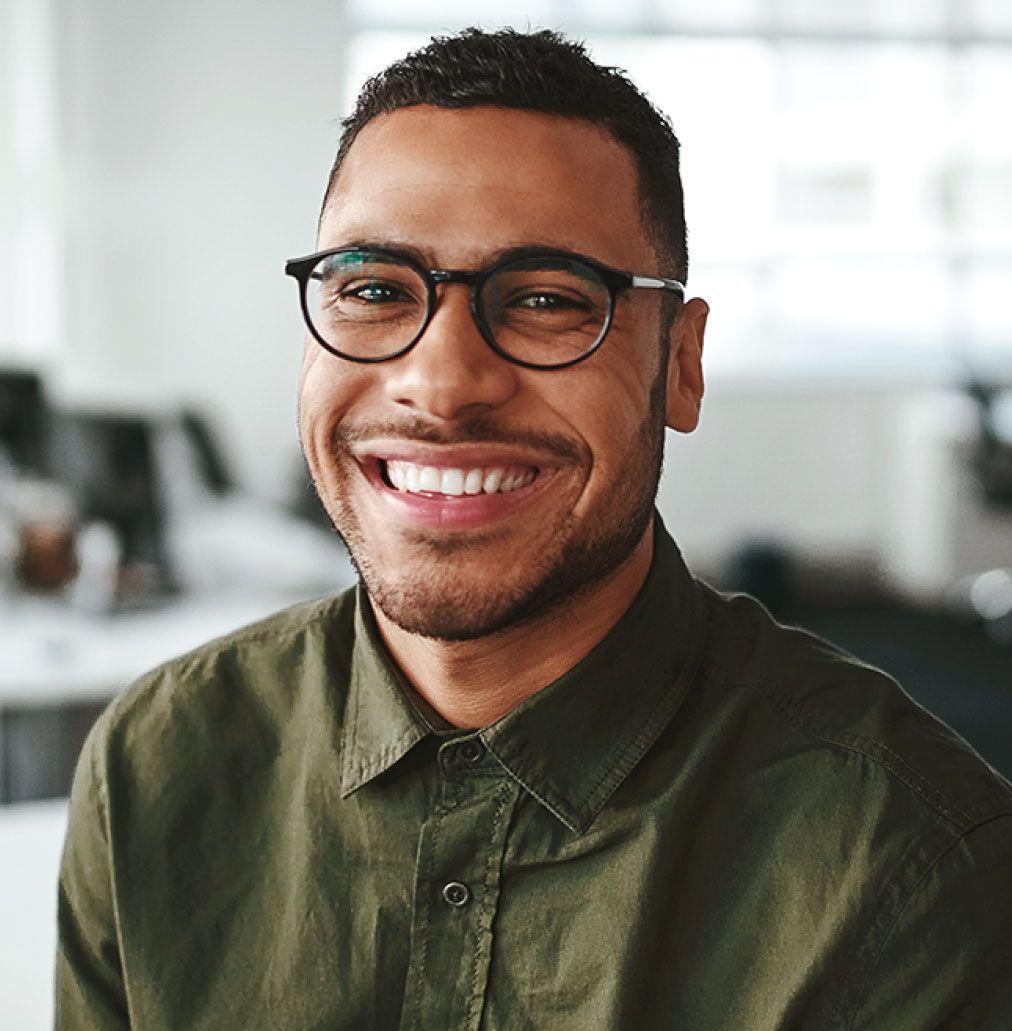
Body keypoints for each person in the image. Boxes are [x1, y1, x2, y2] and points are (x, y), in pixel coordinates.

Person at [56, 27, 1012, 1030]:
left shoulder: (905, 860)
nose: (442, 382)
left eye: (549, 298)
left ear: (679, 365)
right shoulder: (157, 763)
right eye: (376, 288)